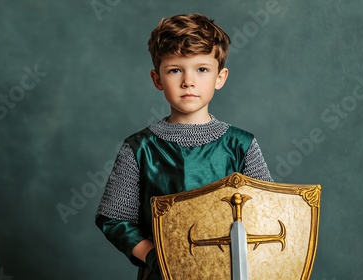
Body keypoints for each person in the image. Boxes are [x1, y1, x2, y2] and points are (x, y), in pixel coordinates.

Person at [95, 13, 272, 280]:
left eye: (201, 69)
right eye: (175, 70)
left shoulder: (241, 145)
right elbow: (114, 218)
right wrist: (158, 258)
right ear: (157, 79)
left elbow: (267, 214)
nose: (188, 81)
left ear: (220, 77)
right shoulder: (139, 148)